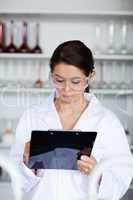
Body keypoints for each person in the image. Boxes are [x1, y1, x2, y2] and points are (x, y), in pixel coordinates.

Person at [11, 40, 133, 200]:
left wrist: (97, 173)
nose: (66, 90)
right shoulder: (32, 117)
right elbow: (16, 181)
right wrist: (26, 164)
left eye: (76, 82)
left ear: (91, 76)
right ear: (51, 75)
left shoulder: (107, 122)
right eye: (59, 80)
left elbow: (122, 178)